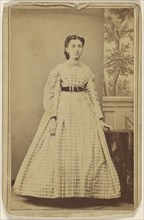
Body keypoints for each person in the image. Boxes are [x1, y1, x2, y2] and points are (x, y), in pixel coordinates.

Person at [13, 34, 121, 199]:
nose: (77, 49)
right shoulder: (59, 70)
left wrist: (99, 119)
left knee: (86, 151)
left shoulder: (87, 70)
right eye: (73, 46)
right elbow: (51, 94)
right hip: (63, 109)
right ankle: (59, 191)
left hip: (84, 111)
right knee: (59, 150)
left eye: (80, 46)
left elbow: (93, 96)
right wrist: (53, 117)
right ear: (66, 49)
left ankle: (81, 192)